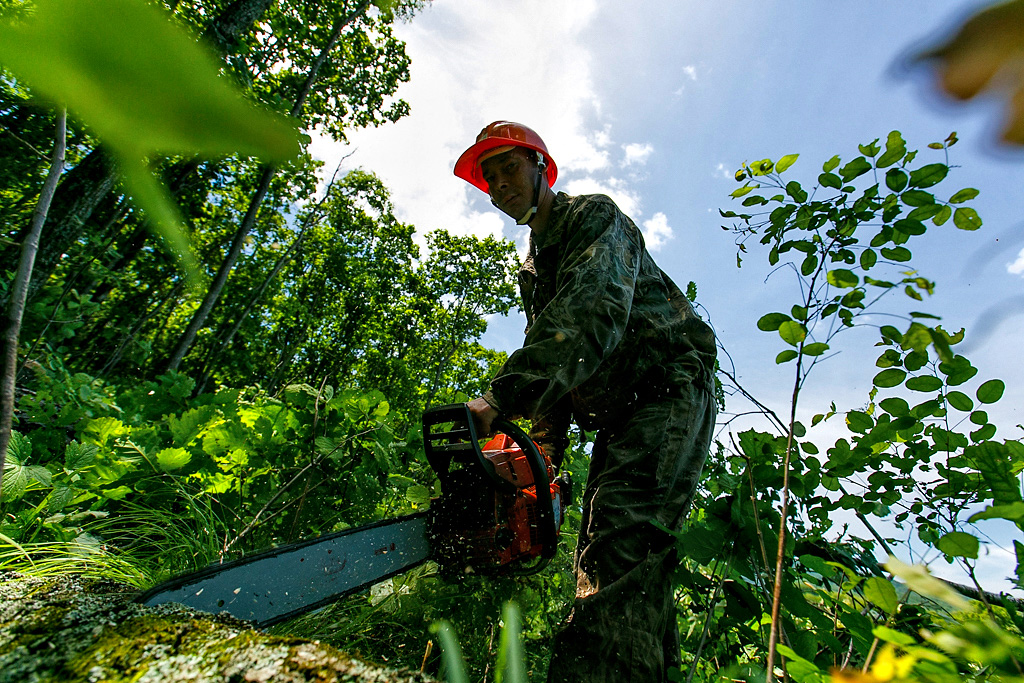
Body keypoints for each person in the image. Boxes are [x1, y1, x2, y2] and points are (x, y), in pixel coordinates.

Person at [454, 121, 718, 682]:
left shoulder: (592, 219)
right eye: (490, 176)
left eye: (509, 168)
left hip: (667, 387)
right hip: (619, 414)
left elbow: (590, 314)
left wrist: (498, 399)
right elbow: (557, 369)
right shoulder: (533, 270)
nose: (500, 183)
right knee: (619, 558)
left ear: (539, 167)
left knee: (616, 549)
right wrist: (540, 458)